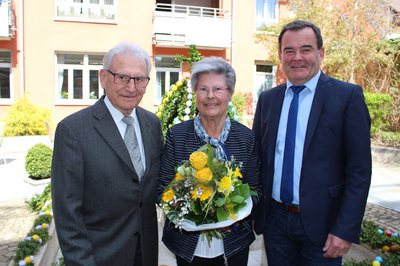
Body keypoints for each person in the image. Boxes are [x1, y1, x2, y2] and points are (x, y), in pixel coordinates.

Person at [253, 20, 372, 265]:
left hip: (324, 227)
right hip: (275, 222)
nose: (297, 57)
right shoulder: (268, 100)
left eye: (306, 49)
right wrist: (256, 211)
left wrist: (344, 229)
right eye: (289, 50)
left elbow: (359, 170)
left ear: (321, 53)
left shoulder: (347, 97)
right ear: (280, 55)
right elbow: (258, 159)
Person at [51, 42, 164, 266]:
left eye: (139, 79)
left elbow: (154, 187)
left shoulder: (152, 124)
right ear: (103, 78)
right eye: (121, 77)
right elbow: (68, 214)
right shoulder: (73, 130)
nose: (131, 87)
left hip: (146, 253)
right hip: (100, 256)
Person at [156, 57, 262, 266]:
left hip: (234, 243)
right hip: (186, 246)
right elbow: (162, 190)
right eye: (203, 89)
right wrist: (197, 214)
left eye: (218, 89)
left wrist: (230, 212)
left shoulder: (246, 138)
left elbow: (256, 190)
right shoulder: (177, 135)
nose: (210, 96)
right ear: (195, 92)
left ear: (230, 93)